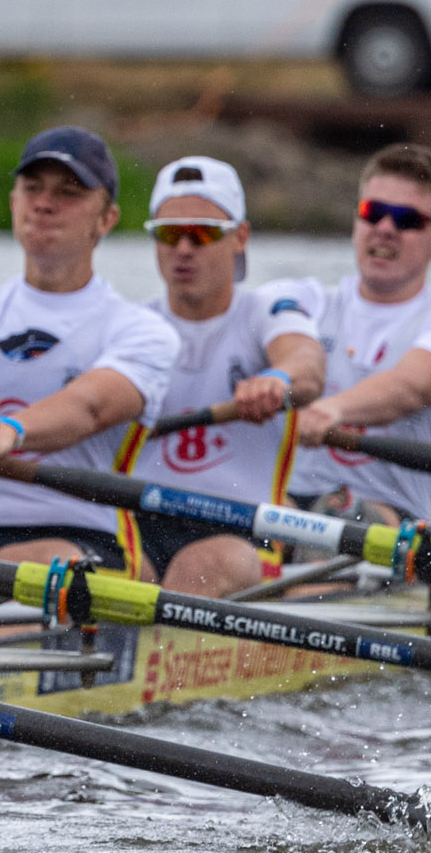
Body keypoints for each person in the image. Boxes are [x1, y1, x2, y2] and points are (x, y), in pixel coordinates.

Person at [0, 126, 178, 572]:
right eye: (32, 189)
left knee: (17, 567)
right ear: (13, 202)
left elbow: (87, 407)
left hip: (88, 539)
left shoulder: (140, 329)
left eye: (68, 193)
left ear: (106, 219)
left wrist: (8, 432)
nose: (44, 203)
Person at [128, 157, 326, 595]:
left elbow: (307, 367)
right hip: (138, 521)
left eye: (202, 233)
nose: (183, 248)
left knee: (198, 568)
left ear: (240, 237)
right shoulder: (130, 326)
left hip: (246, 531)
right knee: (98, 568)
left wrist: (278, 379)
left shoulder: (264, 313)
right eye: (168, 233)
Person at [289, 144, 431, 525]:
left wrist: (332, 409)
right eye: (373, 213)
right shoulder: (305, 302)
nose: (385, 228)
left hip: (393, 523)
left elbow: (409, 390)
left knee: (347, 517)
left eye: (406, 219)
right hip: (289, 508)